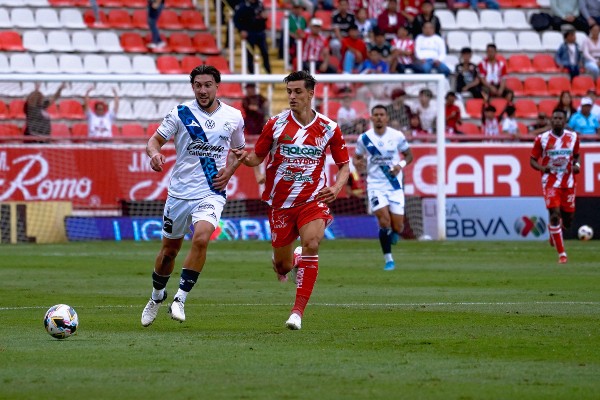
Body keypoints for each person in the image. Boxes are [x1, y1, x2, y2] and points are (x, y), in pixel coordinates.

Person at [233, 70, 350, 330]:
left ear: (311, 93)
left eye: (297, 91)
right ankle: (293, 260)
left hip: (312, 200)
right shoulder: (275, 124)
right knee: (283, 266)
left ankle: (297, 312)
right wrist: (243, 156)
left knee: (312, 242)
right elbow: (256, 159)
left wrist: (337, 187)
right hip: (281, 204)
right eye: (289, 92)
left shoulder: (329, 128)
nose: (292, 96)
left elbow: (344, 165)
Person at [140, 65, 246, 327]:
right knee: (168, 252)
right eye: (198, 85)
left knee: (201, 239)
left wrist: (230, 171)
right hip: (178, 193)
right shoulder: (180, 113)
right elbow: (154, 141)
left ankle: (180, 298)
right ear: (193, 87)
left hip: (211, 192)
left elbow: (240, 151)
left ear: (217, 86)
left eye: (207, 84)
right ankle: (156, 297)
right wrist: (154, 154)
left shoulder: (233, 116)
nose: (202, 90)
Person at [353, 105, 413, 270]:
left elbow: (409, 155)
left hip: (394, 184)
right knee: (384, 221)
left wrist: (400, 165)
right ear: (371, 118)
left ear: (386, 117)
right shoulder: (364, 138)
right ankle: (389, 260)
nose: (379, 117)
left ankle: (394, 233)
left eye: (382, 115)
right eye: (376, 115)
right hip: (375, 185)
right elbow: (356, 157)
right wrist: (359, 164)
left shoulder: (397, 136)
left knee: (398, 226)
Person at [530, 108, 580, 264]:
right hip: (550, 181)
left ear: (564, 121)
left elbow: (576, 156)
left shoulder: (573, 137)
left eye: (560, 118)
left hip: (568, 182)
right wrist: (541, 168)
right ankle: (562, 254)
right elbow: (532, 160)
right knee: (554, 214)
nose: (557, 121)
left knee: (568, 220)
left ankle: (554, 233)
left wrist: (576, 165)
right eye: (555, 118)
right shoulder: (542, 139)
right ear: (551, 120)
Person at [234, 0, 272, 74]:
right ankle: (252, 76)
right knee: (250, 57)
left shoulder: (260, 4)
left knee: (265, 53)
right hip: (249, 34)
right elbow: (236, 20)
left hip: (260, 33)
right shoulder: (242, 6)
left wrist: (264, 17)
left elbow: (264, 17)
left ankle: (268, 73)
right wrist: (241, 30)